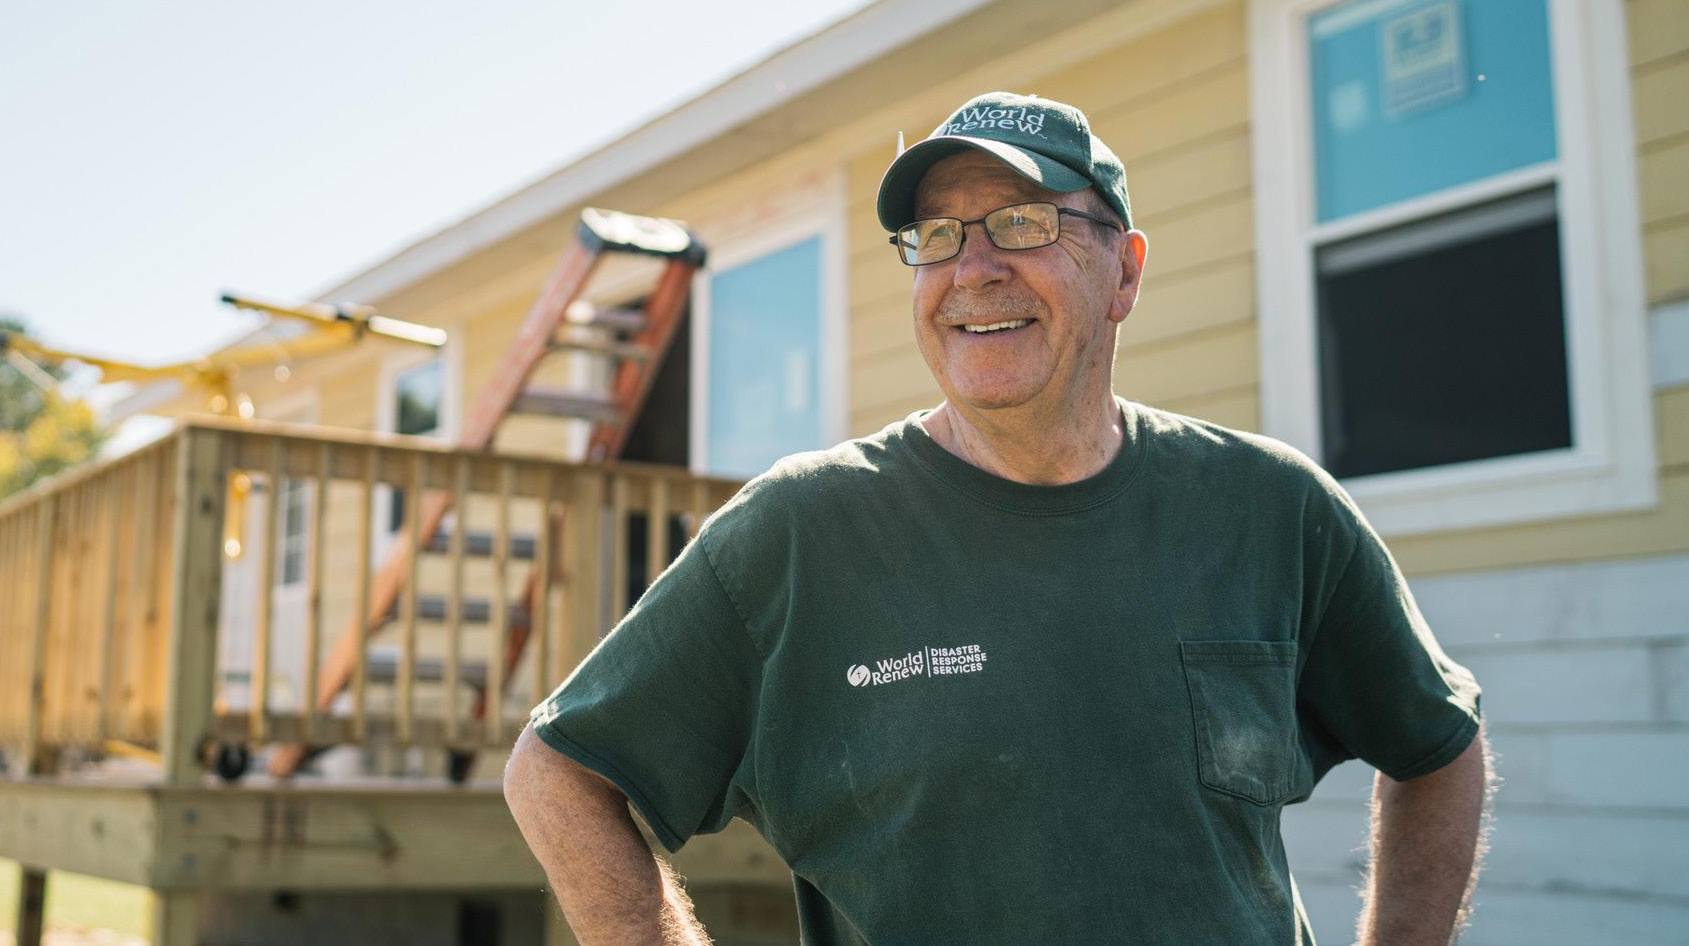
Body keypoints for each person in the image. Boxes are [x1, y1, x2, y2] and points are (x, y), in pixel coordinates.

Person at [504, 90, 1490, 945]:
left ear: (1124, 272)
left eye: (1022, 222)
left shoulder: (1269, 507)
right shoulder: (801, 532)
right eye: (935, 236)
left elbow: (1436, 745)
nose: (971, 267)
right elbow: (556, 774)